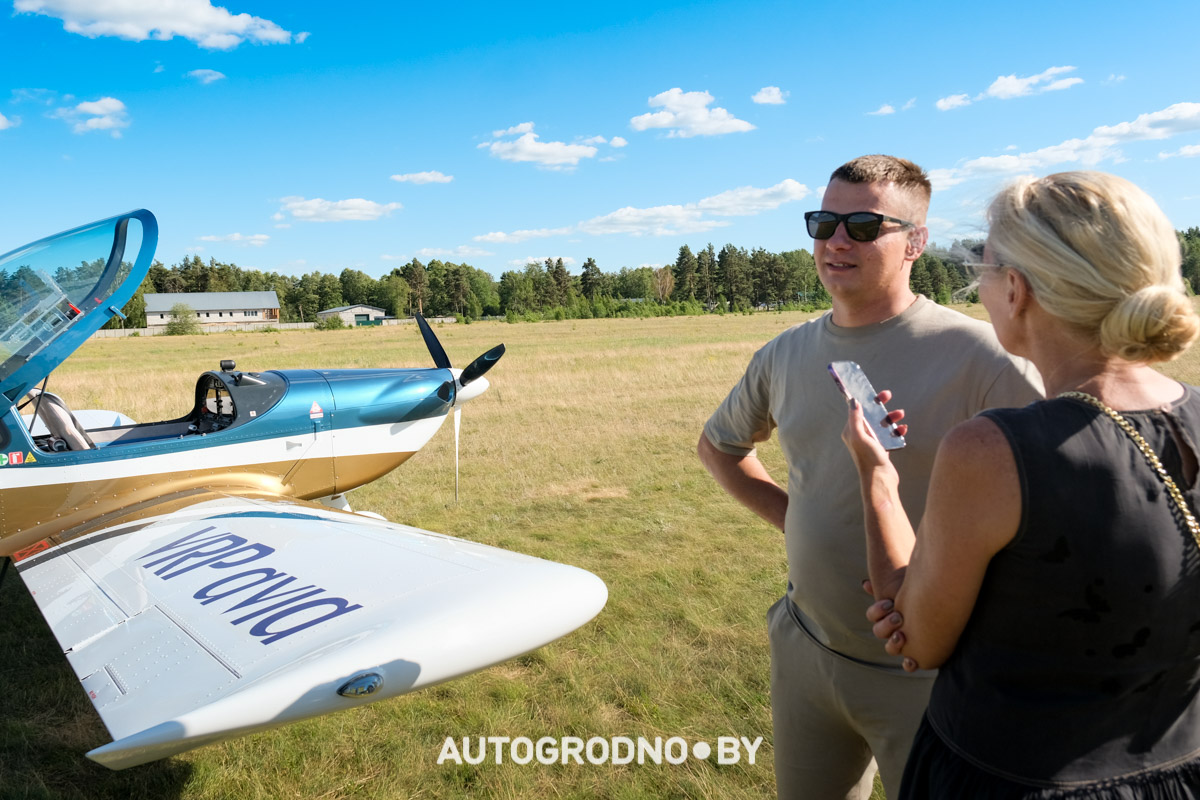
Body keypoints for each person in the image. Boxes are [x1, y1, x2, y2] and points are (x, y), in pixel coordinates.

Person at [843, 170, 1200, 798]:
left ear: (1017, 289)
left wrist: (876, 477)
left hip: (1012, 776)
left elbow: (918, 637)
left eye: (983, 270)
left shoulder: (991, 451)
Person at [698, 154, 1042, 800]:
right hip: (808, 649)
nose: (835, 240)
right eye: (824, 222)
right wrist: (791, 514)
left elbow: (1055, 503)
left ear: (916, 242)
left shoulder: (980, 358)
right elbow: (719, 446)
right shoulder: (785, 354)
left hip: (931, 677)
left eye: (861, 225)